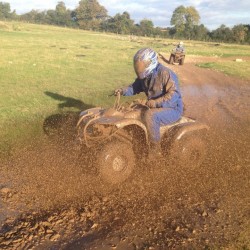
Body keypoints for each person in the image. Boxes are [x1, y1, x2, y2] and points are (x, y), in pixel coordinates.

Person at [114, 48, 183, 158]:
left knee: (151, 115)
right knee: (132, 109)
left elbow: (174, 95)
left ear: (151, 62)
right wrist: (122, 91)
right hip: (155, 106)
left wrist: (155, 103)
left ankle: (155, 149)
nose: (139, 68)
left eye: (142, 65)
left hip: (173, 109)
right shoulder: (145, 76)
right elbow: (134, 88)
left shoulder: (165, 73)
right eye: (138, 65)